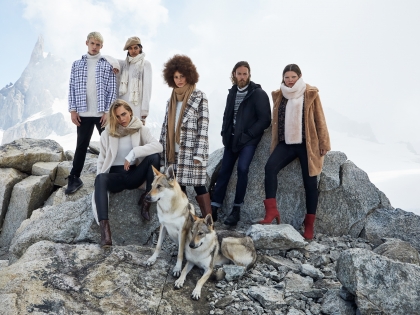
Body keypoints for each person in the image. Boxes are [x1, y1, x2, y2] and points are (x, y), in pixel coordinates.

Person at [261, 64, 331, 240]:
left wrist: (324, 143)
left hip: (306, 144)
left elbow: (319, 118)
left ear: (299, 77)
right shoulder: (279, 95)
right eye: (287, 77)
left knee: (310, 182)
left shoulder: (310, 93)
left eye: (293, 77)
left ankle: (309, 224)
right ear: (283, 78)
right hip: (286, 144)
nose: (290, 80)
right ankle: (271, 212)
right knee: (270, 168)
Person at [93, 100, 162, 247]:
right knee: (100, 179)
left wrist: (134, 152)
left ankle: (146, 200)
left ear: (130, 112)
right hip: (116, 176)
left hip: (134, 174)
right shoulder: (107, 133)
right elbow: (102, 159)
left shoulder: (140, 128)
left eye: (124, 114)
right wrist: (99, 180)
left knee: (155, 157)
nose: (121, 119)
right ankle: (105, 233)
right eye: (117, 116)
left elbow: (158, 146)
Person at [211, 61, 271, 226]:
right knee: (224, 171)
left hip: (249, 140)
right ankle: (214, 207)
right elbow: (227, 116)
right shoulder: (232, 93)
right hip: (232, 139)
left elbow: (265, 119)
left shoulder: (258, 93)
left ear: (249, 75)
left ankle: (236, 210)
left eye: (245, 74)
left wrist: (249, 134)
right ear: (234, 75)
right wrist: (224, 134)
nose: (242, 77)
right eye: (239, 74)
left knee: (242, 169)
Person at [159, 55, 211, 218]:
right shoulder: (171, 100)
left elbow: (204, 126)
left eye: (182, 76)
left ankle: (209, 221)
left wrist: (199, 153)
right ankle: (186, 221)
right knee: (179, 187)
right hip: (173, 151)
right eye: (175, 77)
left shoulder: (199, 96)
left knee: (199, 185)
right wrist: (162, 150)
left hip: (191, 149)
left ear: (189, 75)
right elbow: (165, 126)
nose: (179, 80)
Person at [66, 31, 117, 195]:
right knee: (81, 145)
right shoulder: (76, 64)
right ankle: (74, 177)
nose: (94, 47)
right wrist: (73, 109)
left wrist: (108, 111)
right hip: (83, 112)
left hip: (102, 113)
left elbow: (112, 89)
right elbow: (72, 88)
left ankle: (112, 176)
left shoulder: (107, 65)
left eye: (98, 44)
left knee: (109, 145)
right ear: (87, 43)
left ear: (101, 46)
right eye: (92, 43)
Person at [117, 36, 152, 125]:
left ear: (140, 48)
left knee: (136, 135)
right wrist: (114, 64)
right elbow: (106, 58)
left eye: (135, 48)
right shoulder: (122, 64)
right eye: (130, 48)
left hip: (137, 107)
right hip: (123, 106)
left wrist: (144, 111)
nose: (133, 51)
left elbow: (147, 88)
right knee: (123, 136)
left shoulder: (145, 64)